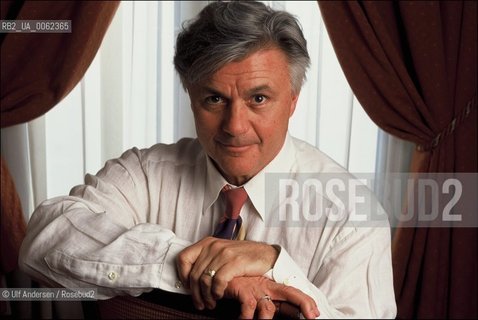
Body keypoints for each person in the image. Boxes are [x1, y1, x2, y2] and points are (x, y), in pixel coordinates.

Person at [19, 1, 397, 318]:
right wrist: (192, 264)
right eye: (214, 99)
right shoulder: (145, 173)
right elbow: (44, 238)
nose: (234, 126)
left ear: (294, 100)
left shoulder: (351, 214)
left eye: (259, 99)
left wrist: (274, 268)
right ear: (190, 97)